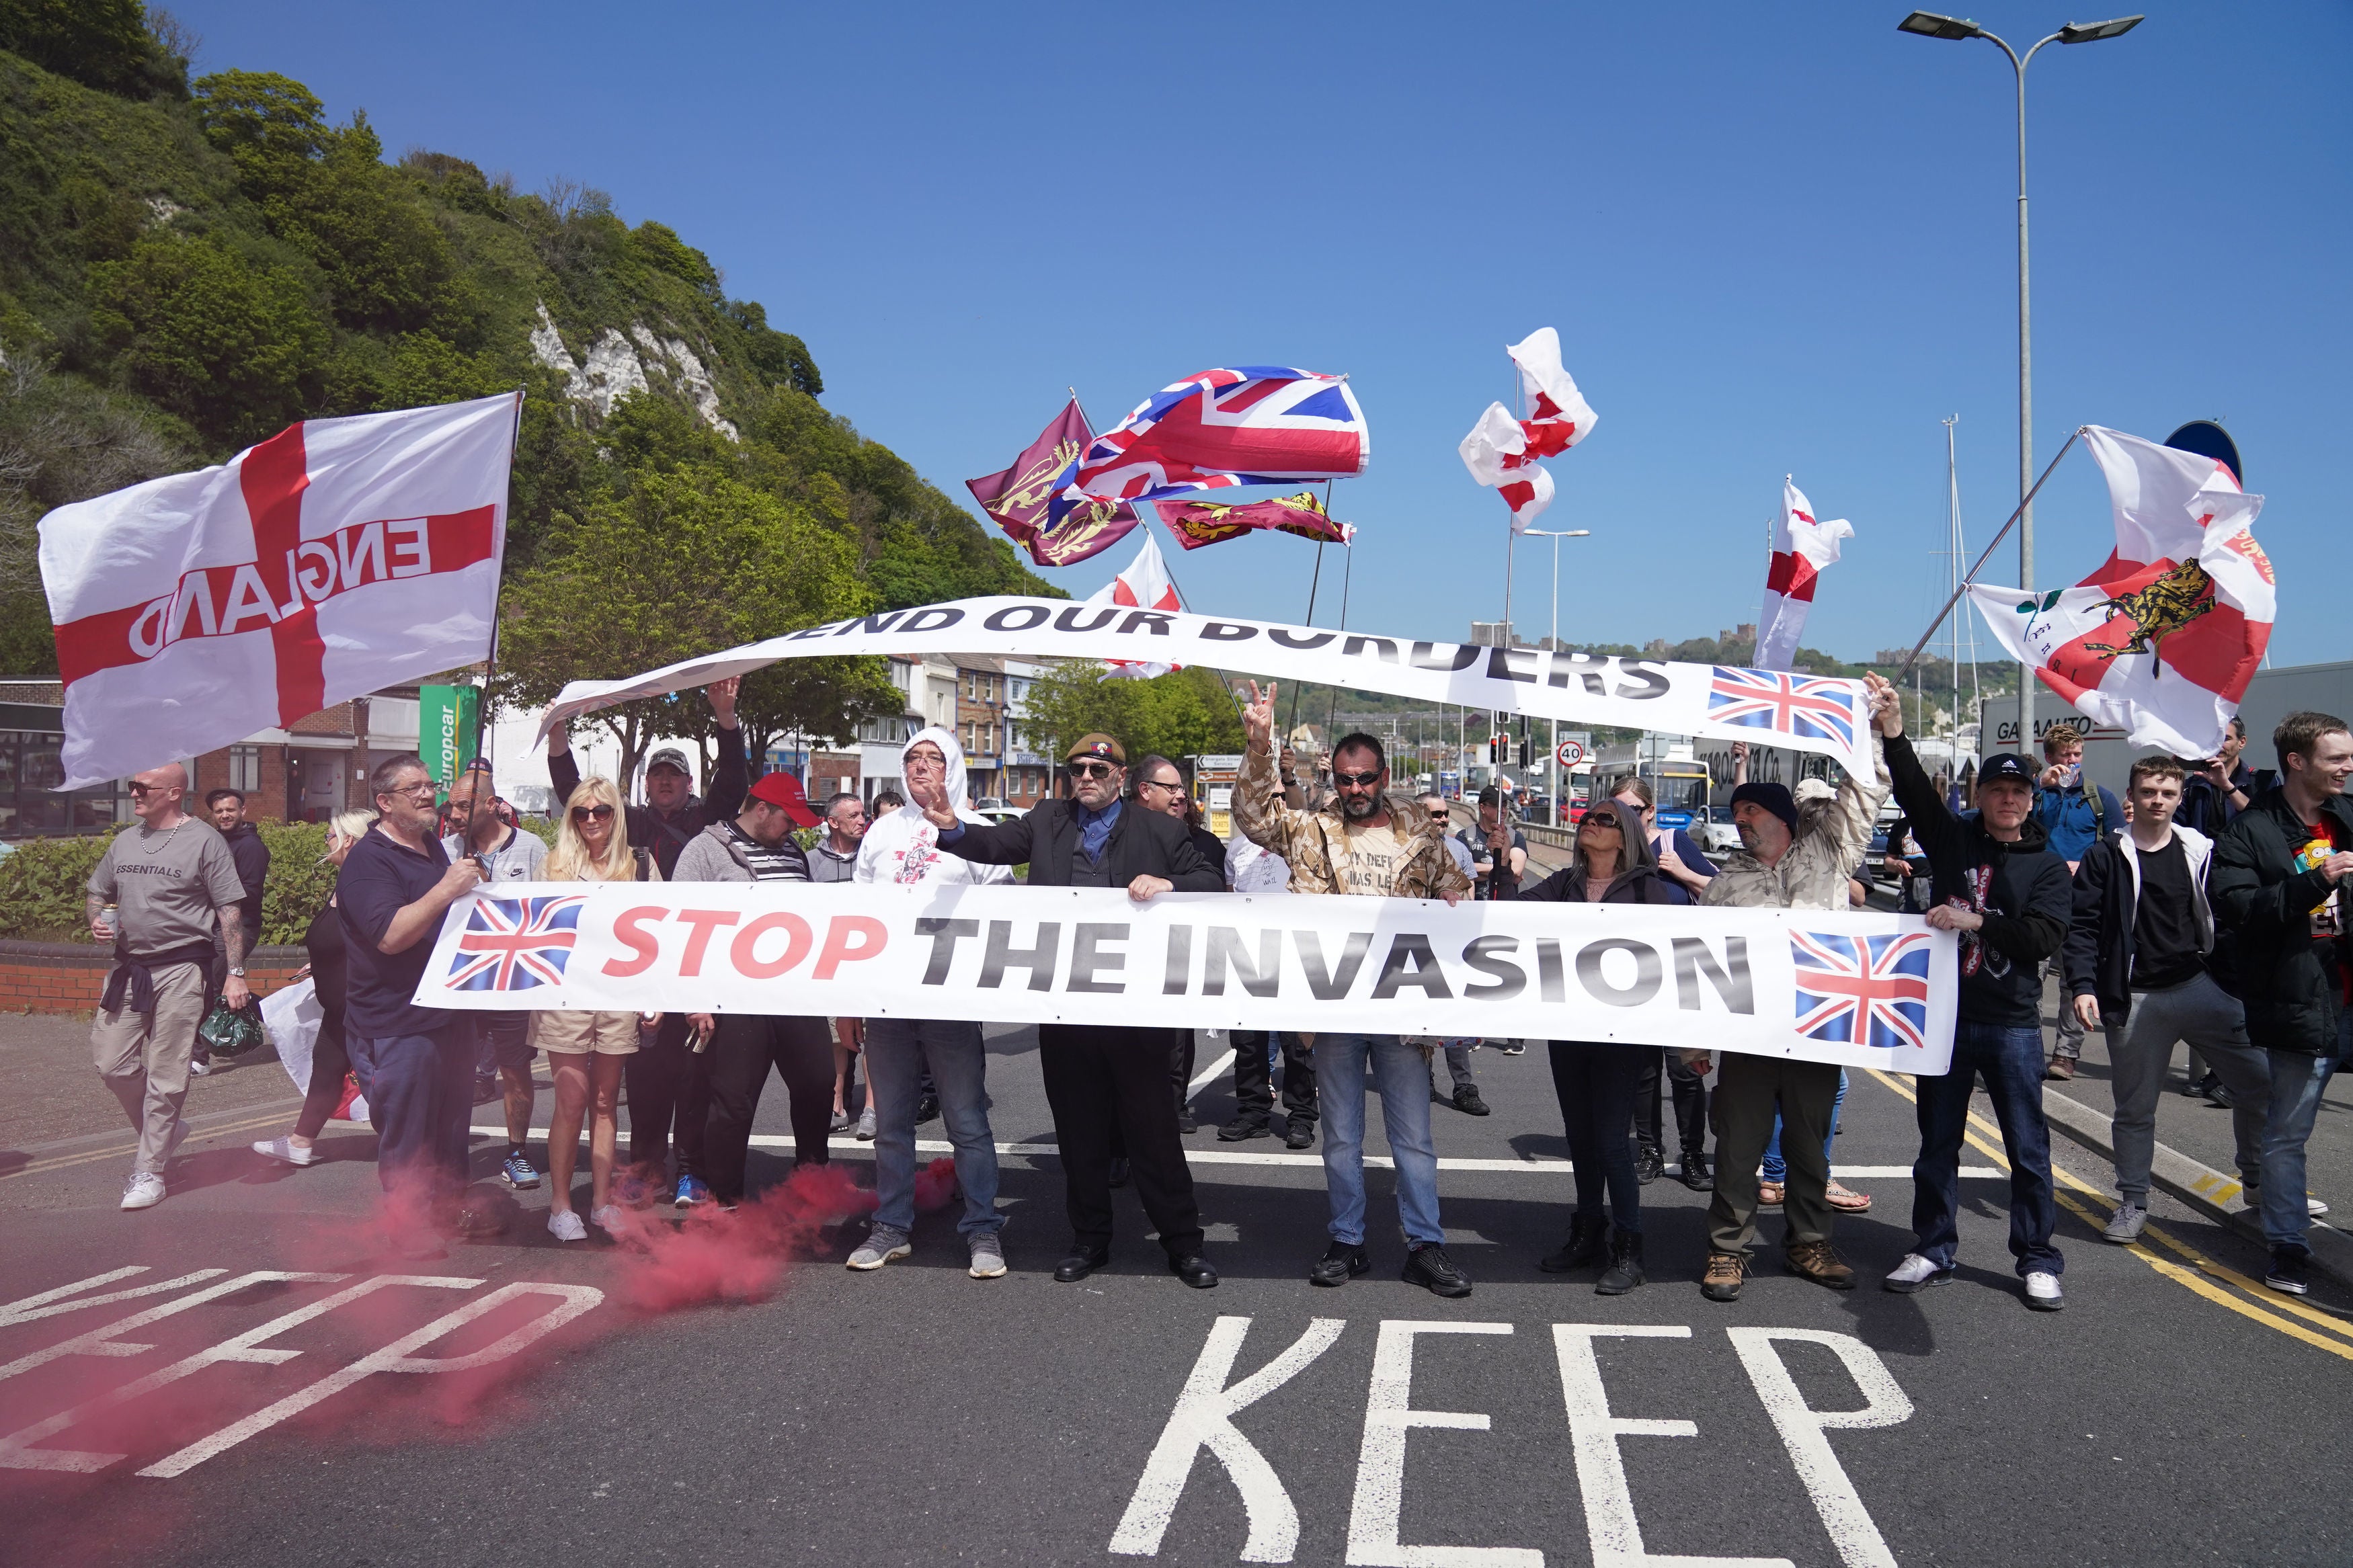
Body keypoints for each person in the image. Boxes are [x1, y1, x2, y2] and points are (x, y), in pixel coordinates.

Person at [918, 733, 1224, 1288]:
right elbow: (992, 845)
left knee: (1153, 1133)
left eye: (1098, 769)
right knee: (1079, 1132)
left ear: (1121, 776)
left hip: (1137, 1011)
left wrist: (1169, 882)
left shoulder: (1160, 829)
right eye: (1078, 768)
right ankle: (1090, 1240)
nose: (1086, 776)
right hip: (1066, 1010)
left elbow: (1212, 881)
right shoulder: (1046, 819)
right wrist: (950, 826)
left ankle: (1183, 1244)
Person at [1234, 684, 1476, 1298]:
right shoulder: (1312, 829)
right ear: (1333, 779)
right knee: (1341, 1135)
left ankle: (1427, 1244)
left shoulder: (1420, 829)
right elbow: (1255, 818)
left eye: (1365, 778)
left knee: (1414, 1138)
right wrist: (1260, 743)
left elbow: (1455, 888)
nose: (1355, 790)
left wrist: (1456, 897)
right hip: (1336, 1007)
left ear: (1383, 776)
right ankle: (1348, 1238)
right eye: (1344, 780)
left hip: (1401, 1007)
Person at [1693, 675, 1895, 1303]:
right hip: (1751, 1036)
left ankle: (1810, 1241)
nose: (1740, 820)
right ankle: (1728, 1250)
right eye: (1736, 813)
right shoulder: (1727, 883)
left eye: (1749, 810)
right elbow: (1703, 967)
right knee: (1738, 1147)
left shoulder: (1830, 853)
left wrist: (1873, 725)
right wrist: (1693, 1045)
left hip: (1816, 1025)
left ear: (1779, 814)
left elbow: (1867, 790)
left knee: (1811, 1147)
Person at [1881, 720, 2074, 1310]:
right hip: (1945, 1019)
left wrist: (1978, 921)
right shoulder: (1952, 840)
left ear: (2031, 800)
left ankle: (2038, 1258)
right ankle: (1934, 1246)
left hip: (2013, 1023)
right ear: (1981, 796)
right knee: (1937, 1144)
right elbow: (1914, 789)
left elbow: (2042, 936)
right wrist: (1894, 733)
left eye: (2018, 792)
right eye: (1997, 790)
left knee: (2028, 1149)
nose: (2008, 799)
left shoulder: (2048, 864)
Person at [551, 677, 746, 1205]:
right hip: (637, 969)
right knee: (645, 1080)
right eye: (657, 774)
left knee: (693, 1078)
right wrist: (558, 735)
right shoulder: (625, 822)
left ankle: (691, 1170)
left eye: (674, 775)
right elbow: (574, 795)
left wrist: (726, 721)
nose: (665, 782)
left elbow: (733, 781)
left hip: (692, 962)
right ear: (645, 785)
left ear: (687, 784)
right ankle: (646, 1167)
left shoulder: (708, 819)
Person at [2064, 756, 2272, 1243]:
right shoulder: (2106, 855)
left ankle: (2260, 1183)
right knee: (2135, 1110)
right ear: (2132, 797)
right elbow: (2082, 927)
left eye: (2167, 792)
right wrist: (2083, 985)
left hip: (2201, 987)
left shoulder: (2200, 848)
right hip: (2135, 998)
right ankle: (2133, 1201)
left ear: (2180, 798)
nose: (2158, 800)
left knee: (2260, 1085)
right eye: (2148, 791)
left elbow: (2237, 893)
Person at [1490, 798, 1682, 1293]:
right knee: (1580, 1137)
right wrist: (1501, 862)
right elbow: (1511, 912)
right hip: (1570, 1029)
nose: (1591, 824)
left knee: (1613, 1143)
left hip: (1622, 1037)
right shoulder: (1566, 884)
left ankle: (1629, 1246)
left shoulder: (1648, 889)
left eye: (1605, 820)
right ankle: (1588, 1231)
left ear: (1626, 836)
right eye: (1588, 819)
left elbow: (1675, 957)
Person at [849, 729, 1016, 1278]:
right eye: (912, 758)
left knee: (966, 1119)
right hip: (889, 996)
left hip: (950, 997)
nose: (921, 766)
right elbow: (858, 916)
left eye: (934, 757)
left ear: (955, 767)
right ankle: (891, 1225)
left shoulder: (980, 830)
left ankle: (982, 1227)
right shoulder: (880, 832)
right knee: (892, 1120)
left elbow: (1005, 910)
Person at [2211, 711, 2353, 1297]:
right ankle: (2289, 1244)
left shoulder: (2347, 817)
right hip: (2302, 998)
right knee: (2287, 1131)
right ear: (2297, 762)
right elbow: (2239, 908)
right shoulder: (2251, 831)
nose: (2348, 767)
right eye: (2336, 759)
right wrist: (2316, 881)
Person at [335, 754, 491, 1249]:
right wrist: (448, 889)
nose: (430, 795)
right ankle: (406, 1227)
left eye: (431, 785)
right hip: (397, 1023)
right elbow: (390, 935)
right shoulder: (368, 862)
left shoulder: (430, 847)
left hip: (448, 1014)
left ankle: (446, 1212)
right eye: (415, 789)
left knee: (450, 1127)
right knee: (407, 1134)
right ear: (384, 803)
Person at [85, 763, 252, 1210]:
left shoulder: (204, 840)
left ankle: (149, 1169)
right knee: (111, 1063)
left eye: (143, 786)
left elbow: (229, 910)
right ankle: (166, 1131)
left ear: (174, 791)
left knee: (168, 1071)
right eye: (133, 785)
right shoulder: (125, 840)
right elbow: (96, 893)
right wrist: (97, 920)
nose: (134, 792)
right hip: (128, 968)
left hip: (182, 968)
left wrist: (235, 971)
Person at [674, 771, 830, 1211]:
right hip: (737, 995)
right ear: (761, 810)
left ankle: (812, 1179)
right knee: (733, 1101)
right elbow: (682, 927)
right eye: (787, 818)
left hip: (796, 994)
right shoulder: (704, 851)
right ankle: (726, 1197)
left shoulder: (792, 850)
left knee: (818, 1084)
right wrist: (694, 996)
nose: (794, 828)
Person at [532, 776, 663, 1240]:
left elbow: (658, 936)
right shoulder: (552, 866)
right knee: (570, 1100)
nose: (591, 819)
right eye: (581, 812)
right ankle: (560, 1206)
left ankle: (601, 1203)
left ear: (616, 815)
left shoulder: (639, 865)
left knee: (606, 1102)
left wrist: (657, 996)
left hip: (619, 996)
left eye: (601, 811)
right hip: (565, 995)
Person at [441, 762, 547, 1191]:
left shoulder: (533, 848)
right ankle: (450, 1157)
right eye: (451, 806)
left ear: (490, 804)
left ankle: (517, 1152)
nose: (455, 815)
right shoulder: (445, 849)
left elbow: (546, 912)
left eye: (464, 806)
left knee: (515, 1070)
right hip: (460, 979)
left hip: (512, 982)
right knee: (455, 1072)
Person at [253, 810, 376, 1169]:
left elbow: (378, 940)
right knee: (326, 1068)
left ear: (349, 839)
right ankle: (301, 1142)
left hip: (362, 1006)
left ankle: (418, 1154)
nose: (326, 843)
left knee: (379, 1079)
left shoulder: (365, 885)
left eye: (329, 836)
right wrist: (320, 965)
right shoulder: (346, 882)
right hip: (341, 1008)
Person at [1611, 776, 1714, 1186]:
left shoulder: (1674, 843)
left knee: (1686, 1069)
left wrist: (1683, 871)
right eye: (1617, 810)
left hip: (1682, 972)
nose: (1625, 818)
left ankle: (1692, 1154)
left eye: (1634, 810)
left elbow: (1724, 890)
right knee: (1643, 1071)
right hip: (1634, 974)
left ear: (1650, 811)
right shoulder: (1613, 850)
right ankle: (1650, 1151)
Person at [1221, 754, 1318, 1149]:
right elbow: (1230, 898)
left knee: (1298, 1045)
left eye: (1281, 794)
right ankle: (1253, 1112)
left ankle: (1301, 1117)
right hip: (1248, 955)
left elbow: (1300, 807)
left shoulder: (1302, 834)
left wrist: (1290, 776)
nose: (1276, 801)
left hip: (1295, 954)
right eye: (1269, 794)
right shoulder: (1236, 847)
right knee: (1247, 1043)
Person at [1135, 755, 1226, 1133]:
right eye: (1171, 789)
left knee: (1177, 1037)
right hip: (1132, 953)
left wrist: (1169, 884)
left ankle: (1176, 1104)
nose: (1180, 798)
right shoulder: (1121, 834)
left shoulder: (1204, 843)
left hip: (1183, 953)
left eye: (1182, 793)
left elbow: (1215, 885)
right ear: (1144, 791)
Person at [2034, 722, 2122, 1081]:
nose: (2072, 761)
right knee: (2031, 975)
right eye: (2065, 755)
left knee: (2074, 979)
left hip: (2080, 903)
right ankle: (2024, 1044)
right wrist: (2039, 787)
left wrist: (2084, 863)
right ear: (2049, 757)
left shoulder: (2100, 798)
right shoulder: (2034, 796)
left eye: (2077, 754)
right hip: (2037, 901)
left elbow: (2119, 846)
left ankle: (2066, 1054)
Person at [1415, 790, 1492, 1116]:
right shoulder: (1406, 850)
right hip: (1417, 949)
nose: (1444, 819)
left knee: (1454, 1021)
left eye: (1446, 814)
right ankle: (1423, 1081)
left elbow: (1470, 895)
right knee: (1420, 1021)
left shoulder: (1459, 849)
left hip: (1452, 950)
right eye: (1436, 815)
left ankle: (1464, 1087)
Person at [196, 787, 270, 1078]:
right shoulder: (216, 842)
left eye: (230, 810)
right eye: (219, 811)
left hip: (242, 926)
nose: (225, 815)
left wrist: (210, 895)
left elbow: (250, 893)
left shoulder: (250, 846)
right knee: (212, 985)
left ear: (243, 811)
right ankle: (280, 1017)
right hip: (212, 925)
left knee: (211, 985)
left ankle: (199, 1057)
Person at [806, 791, 868, 1132]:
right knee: (834, 1036)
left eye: (863, 814)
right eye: (854, 816)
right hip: (829, 961)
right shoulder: (811, 861)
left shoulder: (873, 857)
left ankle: (872, 1107)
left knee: (873, 1035)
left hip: (870, 959)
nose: (863, 820)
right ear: (833, 822)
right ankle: (838, 1100)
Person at [2177, 716, 2257, 839]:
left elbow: (2265, 821)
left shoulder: (2262, 781)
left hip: (2246, 856)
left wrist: (2227, 787)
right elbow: (2173, 828)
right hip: (2204, 856)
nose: (2218, 746)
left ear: (2242, 742)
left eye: (2225, 739)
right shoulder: (2190, 787)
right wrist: (2170, 778)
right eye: (2213, 740)